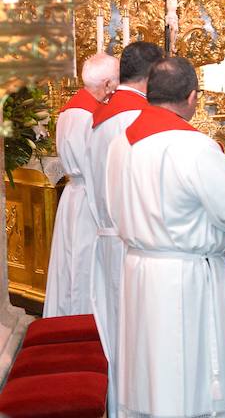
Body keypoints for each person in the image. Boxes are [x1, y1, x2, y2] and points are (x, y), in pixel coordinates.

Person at [107, 57, 225, 418]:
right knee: (186, 368)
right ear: (192, 97)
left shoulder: (121, 143)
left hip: (138, 268)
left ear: (149, 91)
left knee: (148, 367)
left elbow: (113, 204)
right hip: (187, 276)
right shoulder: (193, 147)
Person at [86, 41, 163, 416]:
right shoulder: (139, 118)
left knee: (114, 333)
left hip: (105, 237)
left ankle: (118, 406)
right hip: (133, 241)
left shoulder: (101, 114)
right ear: (151, 77)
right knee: (138, 337)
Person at [43, 53, 119, 318]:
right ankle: (82, 321)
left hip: (76, 195)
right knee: (84, 263)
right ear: (108, 82)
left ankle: (68, 315)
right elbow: (96, 163)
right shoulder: (89, 114)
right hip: (90, 197)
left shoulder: (70, 108)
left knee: (71, 261)